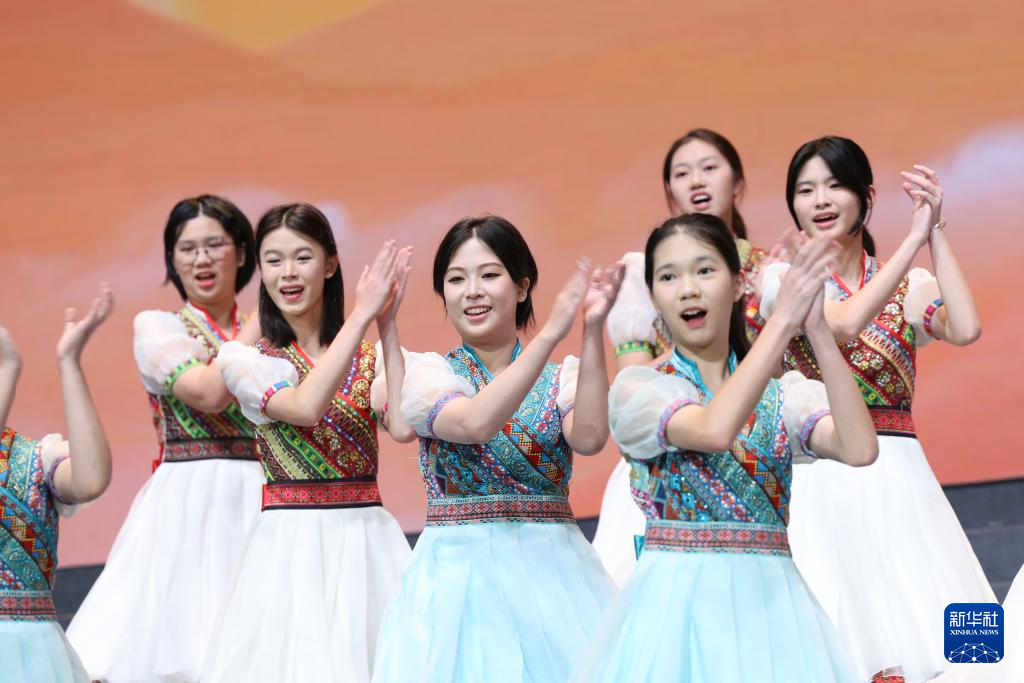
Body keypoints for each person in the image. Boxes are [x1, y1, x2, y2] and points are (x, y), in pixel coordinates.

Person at [1, 286, 114, 683]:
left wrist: (70, 363)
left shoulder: (34, 458)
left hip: (35, 660)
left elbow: (91, 478)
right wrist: (9, 369)